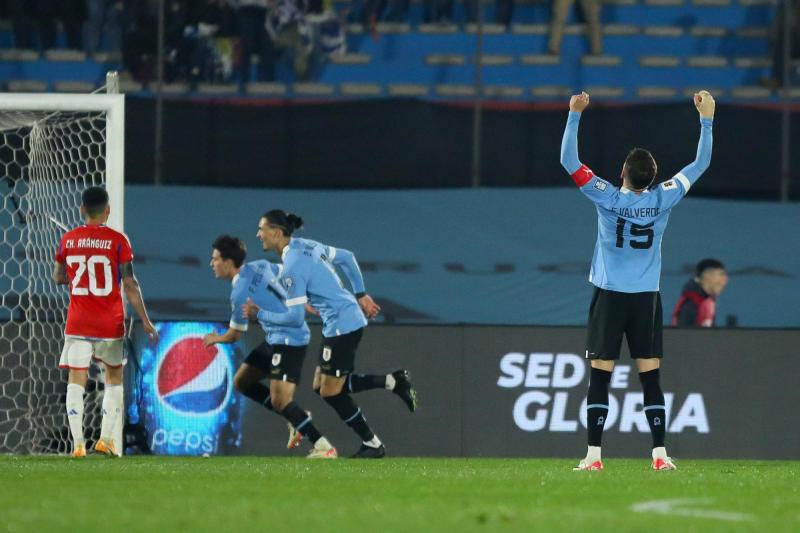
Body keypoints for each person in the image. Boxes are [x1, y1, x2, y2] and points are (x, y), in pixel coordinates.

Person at [559, 90, 715, 471]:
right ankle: (660, 455)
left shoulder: (606, 196)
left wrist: (574, 114)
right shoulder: (665, 198)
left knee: (600, 377)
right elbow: (700, 163)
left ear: (622, 174)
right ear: (654, 177)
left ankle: (594, 456)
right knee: (650, 377)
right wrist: (707, 120)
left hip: (610, 296)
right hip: (646, 298)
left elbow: (568, 160)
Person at [243, 210, 417, 458]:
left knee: (330, 390)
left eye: (262, 229)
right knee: (322, 385)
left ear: (277, 232)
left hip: (342, 325)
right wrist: (360, 293)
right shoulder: (306, 245)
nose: (258, 234)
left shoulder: (291, 266)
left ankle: (373, 444)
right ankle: (393, 382)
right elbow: (347, 257)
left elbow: (293, 318)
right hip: (341, 321)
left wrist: (258, 314)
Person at [203, 235, 337, 458]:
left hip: (289, 340)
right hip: (275, 338)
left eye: (215, 259)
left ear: (228, 262)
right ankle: (296, 417)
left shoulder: (239, 294)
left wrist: (215, 338)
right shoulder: (260, 266)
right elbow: (287, 277)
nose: (211, 263)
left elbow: (235, 335)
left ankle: (324, 446)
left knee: (280, 400)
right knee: (242, 381)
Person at [53, 186, 158, 458]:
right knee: (114, 378)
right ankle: (106, 439)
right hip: (109, 325)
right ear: (107, 210)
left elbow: (58, 277)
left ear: (81, 210)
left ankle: (77, 444)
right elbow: (130, 283)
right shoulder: (118, 241)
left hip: (78, 323)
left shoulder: (68, 240)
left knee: (76, 380)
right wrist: (146, 320)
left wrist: (77, 276)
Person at [671, 259, 728, 327]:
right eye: (721, 274)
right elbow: (684, 335)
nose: (725, 279)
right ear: (707, 275)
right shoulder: (690, 304)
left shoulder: (706, 301)